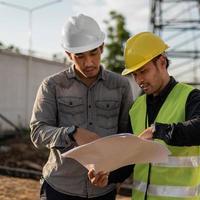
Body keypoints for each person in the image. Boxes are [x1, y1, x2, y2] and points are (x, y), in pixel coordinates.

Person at [30, 14, 133, 200]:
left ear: (102, 47)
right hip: (60, 188)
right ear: (68, 54)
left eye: (93, 53)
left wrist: (113, 174)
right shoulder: (52, 86)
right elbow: (37, 133)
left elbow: (126, 137)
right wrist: (72, 132)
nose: (88, 63)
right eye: (80, 56)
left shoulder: (121, 86)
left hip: (103, 189)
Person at [122, 32, 200, 200]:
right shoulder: (136, 107)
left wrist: (158, 130)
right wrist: (108, 176)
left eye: (143, 71)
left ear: (162, 63)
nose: (139, 80)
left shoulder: (192, 97)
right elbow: (130, 157)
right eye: (134, 74)